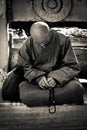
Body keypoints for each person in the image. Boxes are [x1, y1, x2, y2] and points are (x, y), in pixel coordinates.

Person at [18, 21, 84, 106]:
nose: (42, 45)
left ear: (50, 32)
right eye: (38, 43)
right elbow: (24, 67)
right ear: (32, 37)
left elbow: (72, 66)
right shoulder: (28, 44)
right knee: (25, 93)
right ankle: (59, 99)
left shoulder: (63, 40)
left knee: (76, 88)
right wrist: (38, 78)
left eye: (45, 42)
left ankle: (42, 99)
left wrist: (56, 78)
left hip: (61, 83)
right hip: (37, 84)